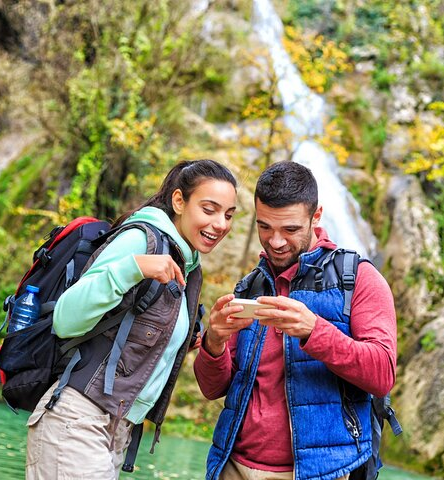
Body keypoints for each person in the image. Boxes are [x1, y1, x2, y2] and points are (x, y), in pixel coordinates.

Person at [25, 159, 238, 479]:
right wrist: (133, 267)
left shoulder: (189, 264)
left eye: (229, 214)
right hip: (77, 419)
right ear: (179, 201)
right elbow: (65, 319)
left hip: (116, 431)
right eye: (209, 209)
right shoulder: (140, 240)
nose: (220, 223)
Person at [194, 161, 397, 480]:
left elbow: (382, 374)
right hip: (232, 465)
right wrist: (214, 342)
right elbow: (212, 388)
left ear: (316, 217)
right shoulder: (250, 285)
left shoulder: (359, 279)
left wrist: (315, 331)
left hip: (322, 472)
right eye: (265, 227)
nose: (275, 242)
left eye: (290, 229)